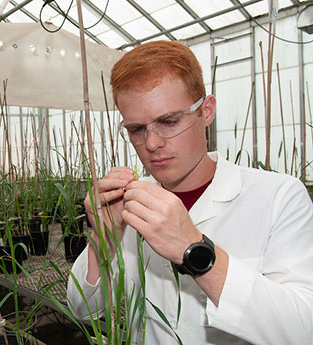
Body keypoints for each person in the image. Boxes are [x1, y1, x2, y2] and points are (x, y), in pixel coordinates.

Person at [67, 40, 313, 345]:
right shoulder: (131, 203)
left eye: (168, 122)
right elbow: (82, 308)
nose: (152, 143)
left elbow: (304, 329)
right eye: (136, 129)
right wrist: (103, 239)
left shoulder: (278, 197)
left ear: (206, 111)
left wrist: (195, 251)